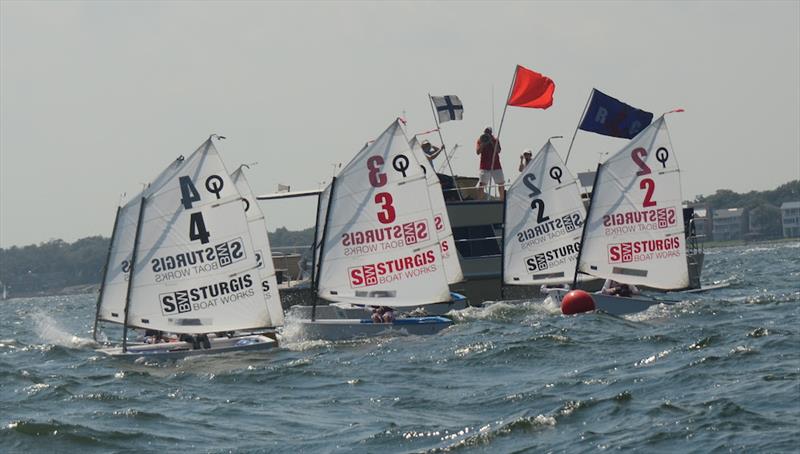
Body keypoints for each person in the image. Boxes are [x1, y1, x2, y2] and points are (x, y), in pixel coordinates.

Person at [476, 127, 505, 199]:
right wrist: (483, 144)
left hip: (496, 165)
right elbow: (478, 152)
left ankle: (502, 200)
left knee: (501, 183)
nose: (487, 134)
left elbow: (498, 150)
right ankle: (480, 201)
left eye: (488, 133)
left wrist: (492, 142)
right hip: (484, 166)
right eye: (486, 132)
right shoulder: (480, 140)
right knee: (482, 184)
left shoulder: (495, 140)